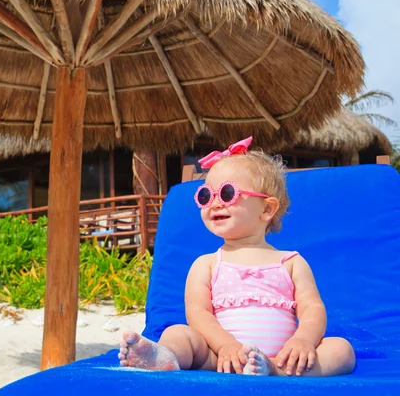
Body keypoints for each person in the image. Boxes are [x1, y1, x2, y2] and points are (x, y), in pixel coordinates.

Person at [118, 137, 355, 376]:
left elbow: (312, 308)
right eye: (205, 196)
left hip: (282, 357)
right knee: (178, 333)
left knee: (341, 350)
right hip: (218, 357)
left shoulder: (291, 262)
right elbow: (198, 314)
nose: (214, 204)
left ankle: (272, 369)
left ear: (266, 209)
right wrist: (225, 346)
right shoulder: (207, 264)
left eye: (227, 193)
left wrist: (303, 340)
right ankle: (163, 357)